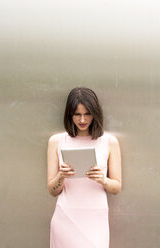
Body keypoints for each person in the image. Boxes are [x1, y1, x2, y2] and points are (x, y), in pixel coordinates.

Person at [47, 87, 122, 248]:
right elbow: (52, 191)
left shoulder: (109, 142)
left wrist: (102, 179)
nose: (82, 120)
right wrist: (61, 175)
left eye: (87, 114)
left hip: (96, 218)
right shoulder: (56, 141)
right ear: (69, 115)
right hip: (65, 217)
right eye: (77, 114)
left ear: (95, 113)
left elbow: (116, 188)